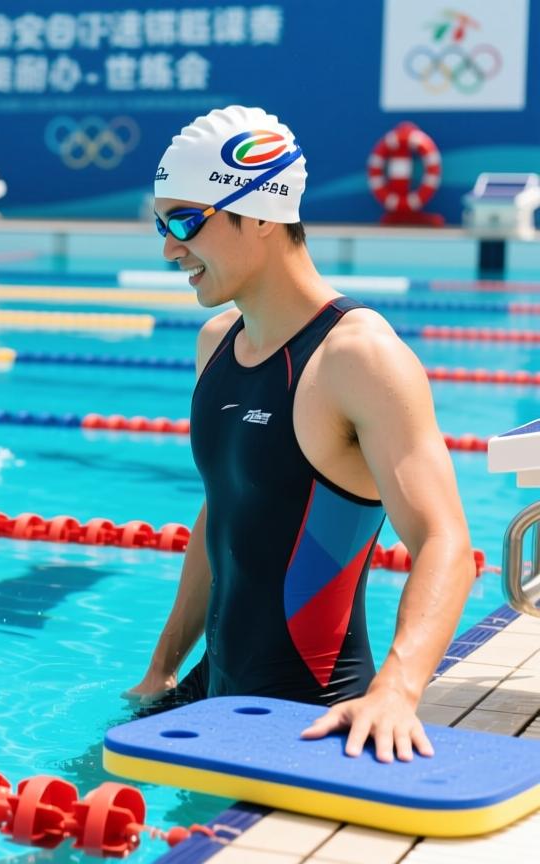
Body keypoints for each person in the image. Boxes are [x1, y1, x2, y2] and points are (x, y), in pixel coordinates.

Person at [127, 106, 474, 763]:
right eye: (161, 224)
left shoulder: (358, 358)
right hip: (212, 688)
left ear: (258, 214)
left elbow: (446, 542)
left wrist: (397, 690)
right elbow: (222, 511)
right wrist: (164, 667)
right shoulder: (216, 345)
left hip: (311, 713)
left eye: (184, 222)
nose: (170, 248)